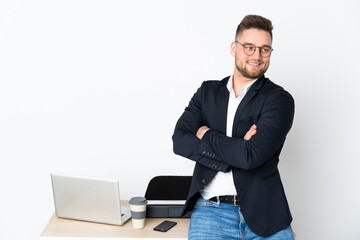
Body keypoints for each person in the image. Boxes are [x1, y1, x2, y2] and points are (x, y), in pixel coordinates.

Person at [172, 15, 295, 239]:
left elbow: (250, 156)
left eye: (264, 49)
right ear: (234, 48)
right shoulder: (207, 92)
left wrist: (206, 133)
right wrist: (235, 151)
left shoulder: (279, 100)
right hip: (211, 212)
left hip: (266, 212)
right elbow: (179, 141)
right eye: (249, 47)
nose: (256, 56)